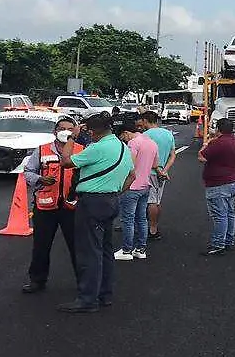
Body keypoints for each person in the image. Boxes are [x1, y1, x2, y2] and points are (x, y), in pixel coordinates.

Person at [58, 113, 134, 313]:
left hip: (92, 202)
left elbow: (66, 161)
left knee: (89, 252)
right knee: (105, 250)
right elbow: (132, 176)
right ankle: (104, 294)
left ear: (92, 132)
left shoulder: (97, 148)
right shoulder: (122, 147)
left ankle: (87, 299)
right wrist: (115, 192)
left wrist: (71, 138)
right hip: (110, 201)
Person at [20, 117, 83, 294]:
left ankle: (83, 281)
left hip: (72, 206)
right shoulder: (42, 150)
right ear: (54, 131)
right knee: (41, 245)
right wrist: (40, 179)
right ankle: (37, 280)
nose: (65, 132)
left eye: (70, 129)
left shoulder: (81, 150)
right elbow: (28, 172)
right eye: (62, 128)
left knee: (77, 246)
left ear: (75, 131)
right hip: (46, 206)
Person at [198, 117, 235, 256]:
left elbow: (201, 157)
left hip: (218, 184)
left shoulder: (217, 143)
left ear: (218, 129)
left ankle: (218, 245)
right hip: (234, 182)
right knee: (230, 212)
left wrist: (206, 143)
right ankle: (229, 241)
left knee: (220, 216)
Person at [115, 118, 157, 261]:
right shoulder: (151, 142)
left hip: (131, 187)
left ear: (126, 133)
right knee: (141, 219)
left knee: (128, 219)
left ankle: (126, 251)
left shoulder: (133, 143)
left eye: (122, 137)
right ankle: (140, 249)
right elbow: (155, 164)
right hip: (145, 185)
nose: (123, 141)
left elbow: (129, 165)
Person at [138, 111, 176, 241]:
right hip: (162, 173)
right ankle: (154, 226)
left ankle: (152, 229)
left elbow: (144, 156)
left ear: (145, 121)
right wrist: (165, 170)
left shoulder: (144, 136)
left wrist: (157, 168)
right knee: (157, 200)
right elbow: (172, 155)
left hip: (148, 172)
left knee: (151, 201)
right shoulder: (168, 134)